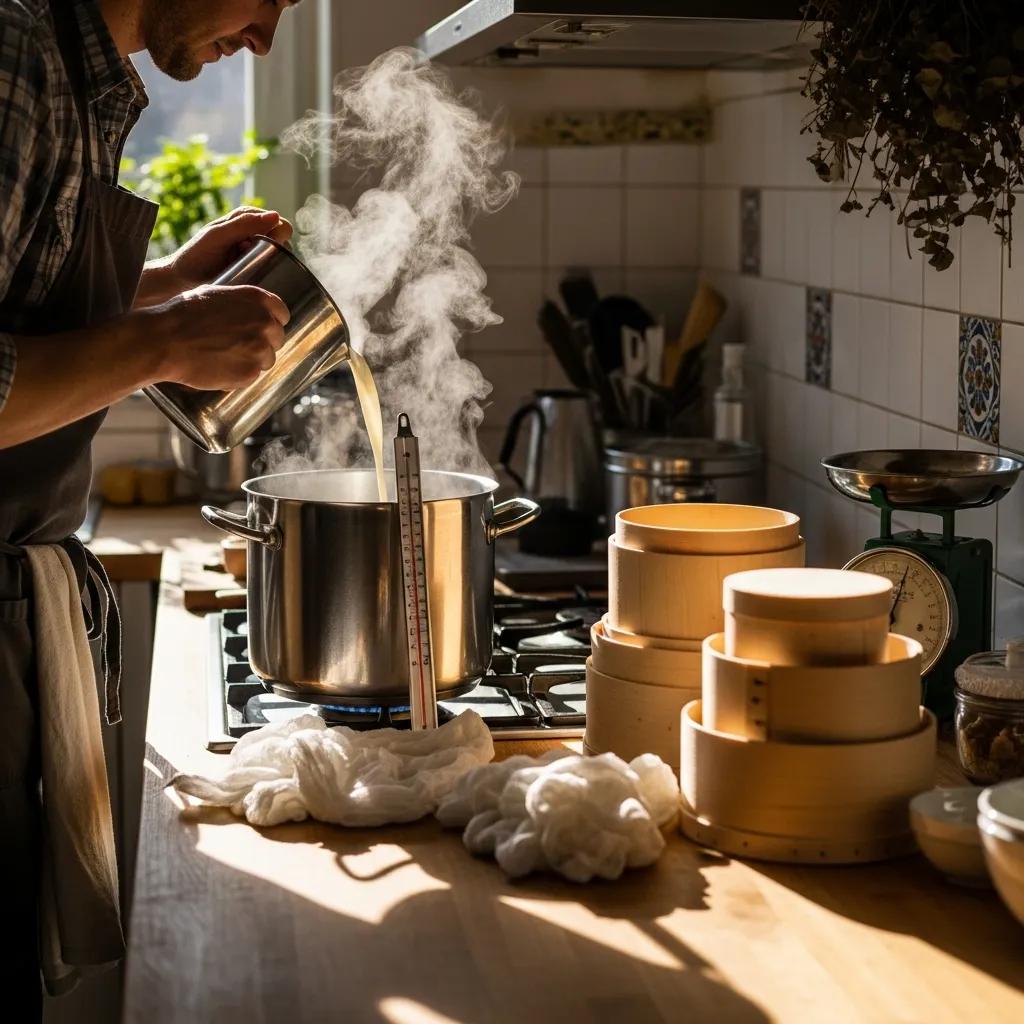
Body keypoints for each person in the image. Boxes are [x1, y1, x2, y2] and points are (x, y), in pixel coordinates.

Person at [0, 0, 302, 1014]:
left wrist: (165, 289)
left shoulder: (76, 75)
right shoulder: (16, 57)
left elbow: (22, 303)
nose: (264, 40)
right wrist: (164, 342)